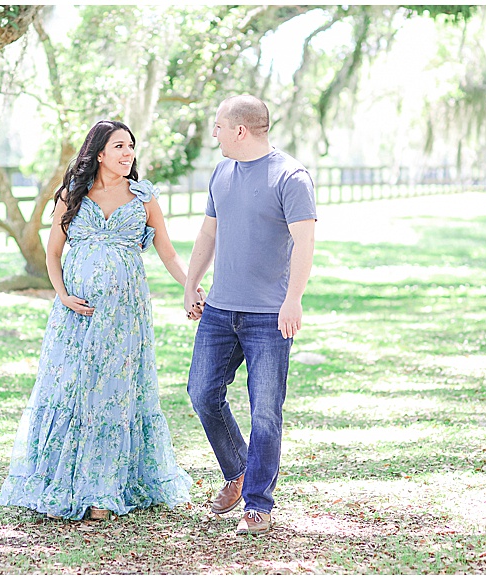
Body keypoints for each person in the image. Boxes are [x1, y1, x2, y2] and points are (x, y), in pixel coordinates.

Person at [0, 120, 201, 521]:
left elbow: (168, 253)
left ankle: (102, 492)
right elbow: (53, 253)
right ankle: (63, 483)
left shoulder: (143, 197)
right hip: (76, 317)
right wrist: (63, 295)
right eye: (120, 146)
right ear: (100, 153)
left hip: (125, 318)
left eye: (131, 147)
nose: (128, 154)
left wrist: (191, 287)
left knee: (114, 394)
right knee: (73, 390)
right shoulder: (72, 195)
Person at [184, 95, 316, 535]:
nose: (214, 133)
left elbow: (304, 243)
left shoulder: (291, 176)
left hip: (268, 317)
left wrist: (293, 299)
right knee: (202, 392)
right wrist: (190, 283)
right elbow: (208, 232)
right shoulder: (221, 172)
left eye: (219, 125)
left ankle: (258, 504)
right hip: (220, 311)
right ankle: (239, 470)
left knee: (266, 412)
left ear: (240, 129)